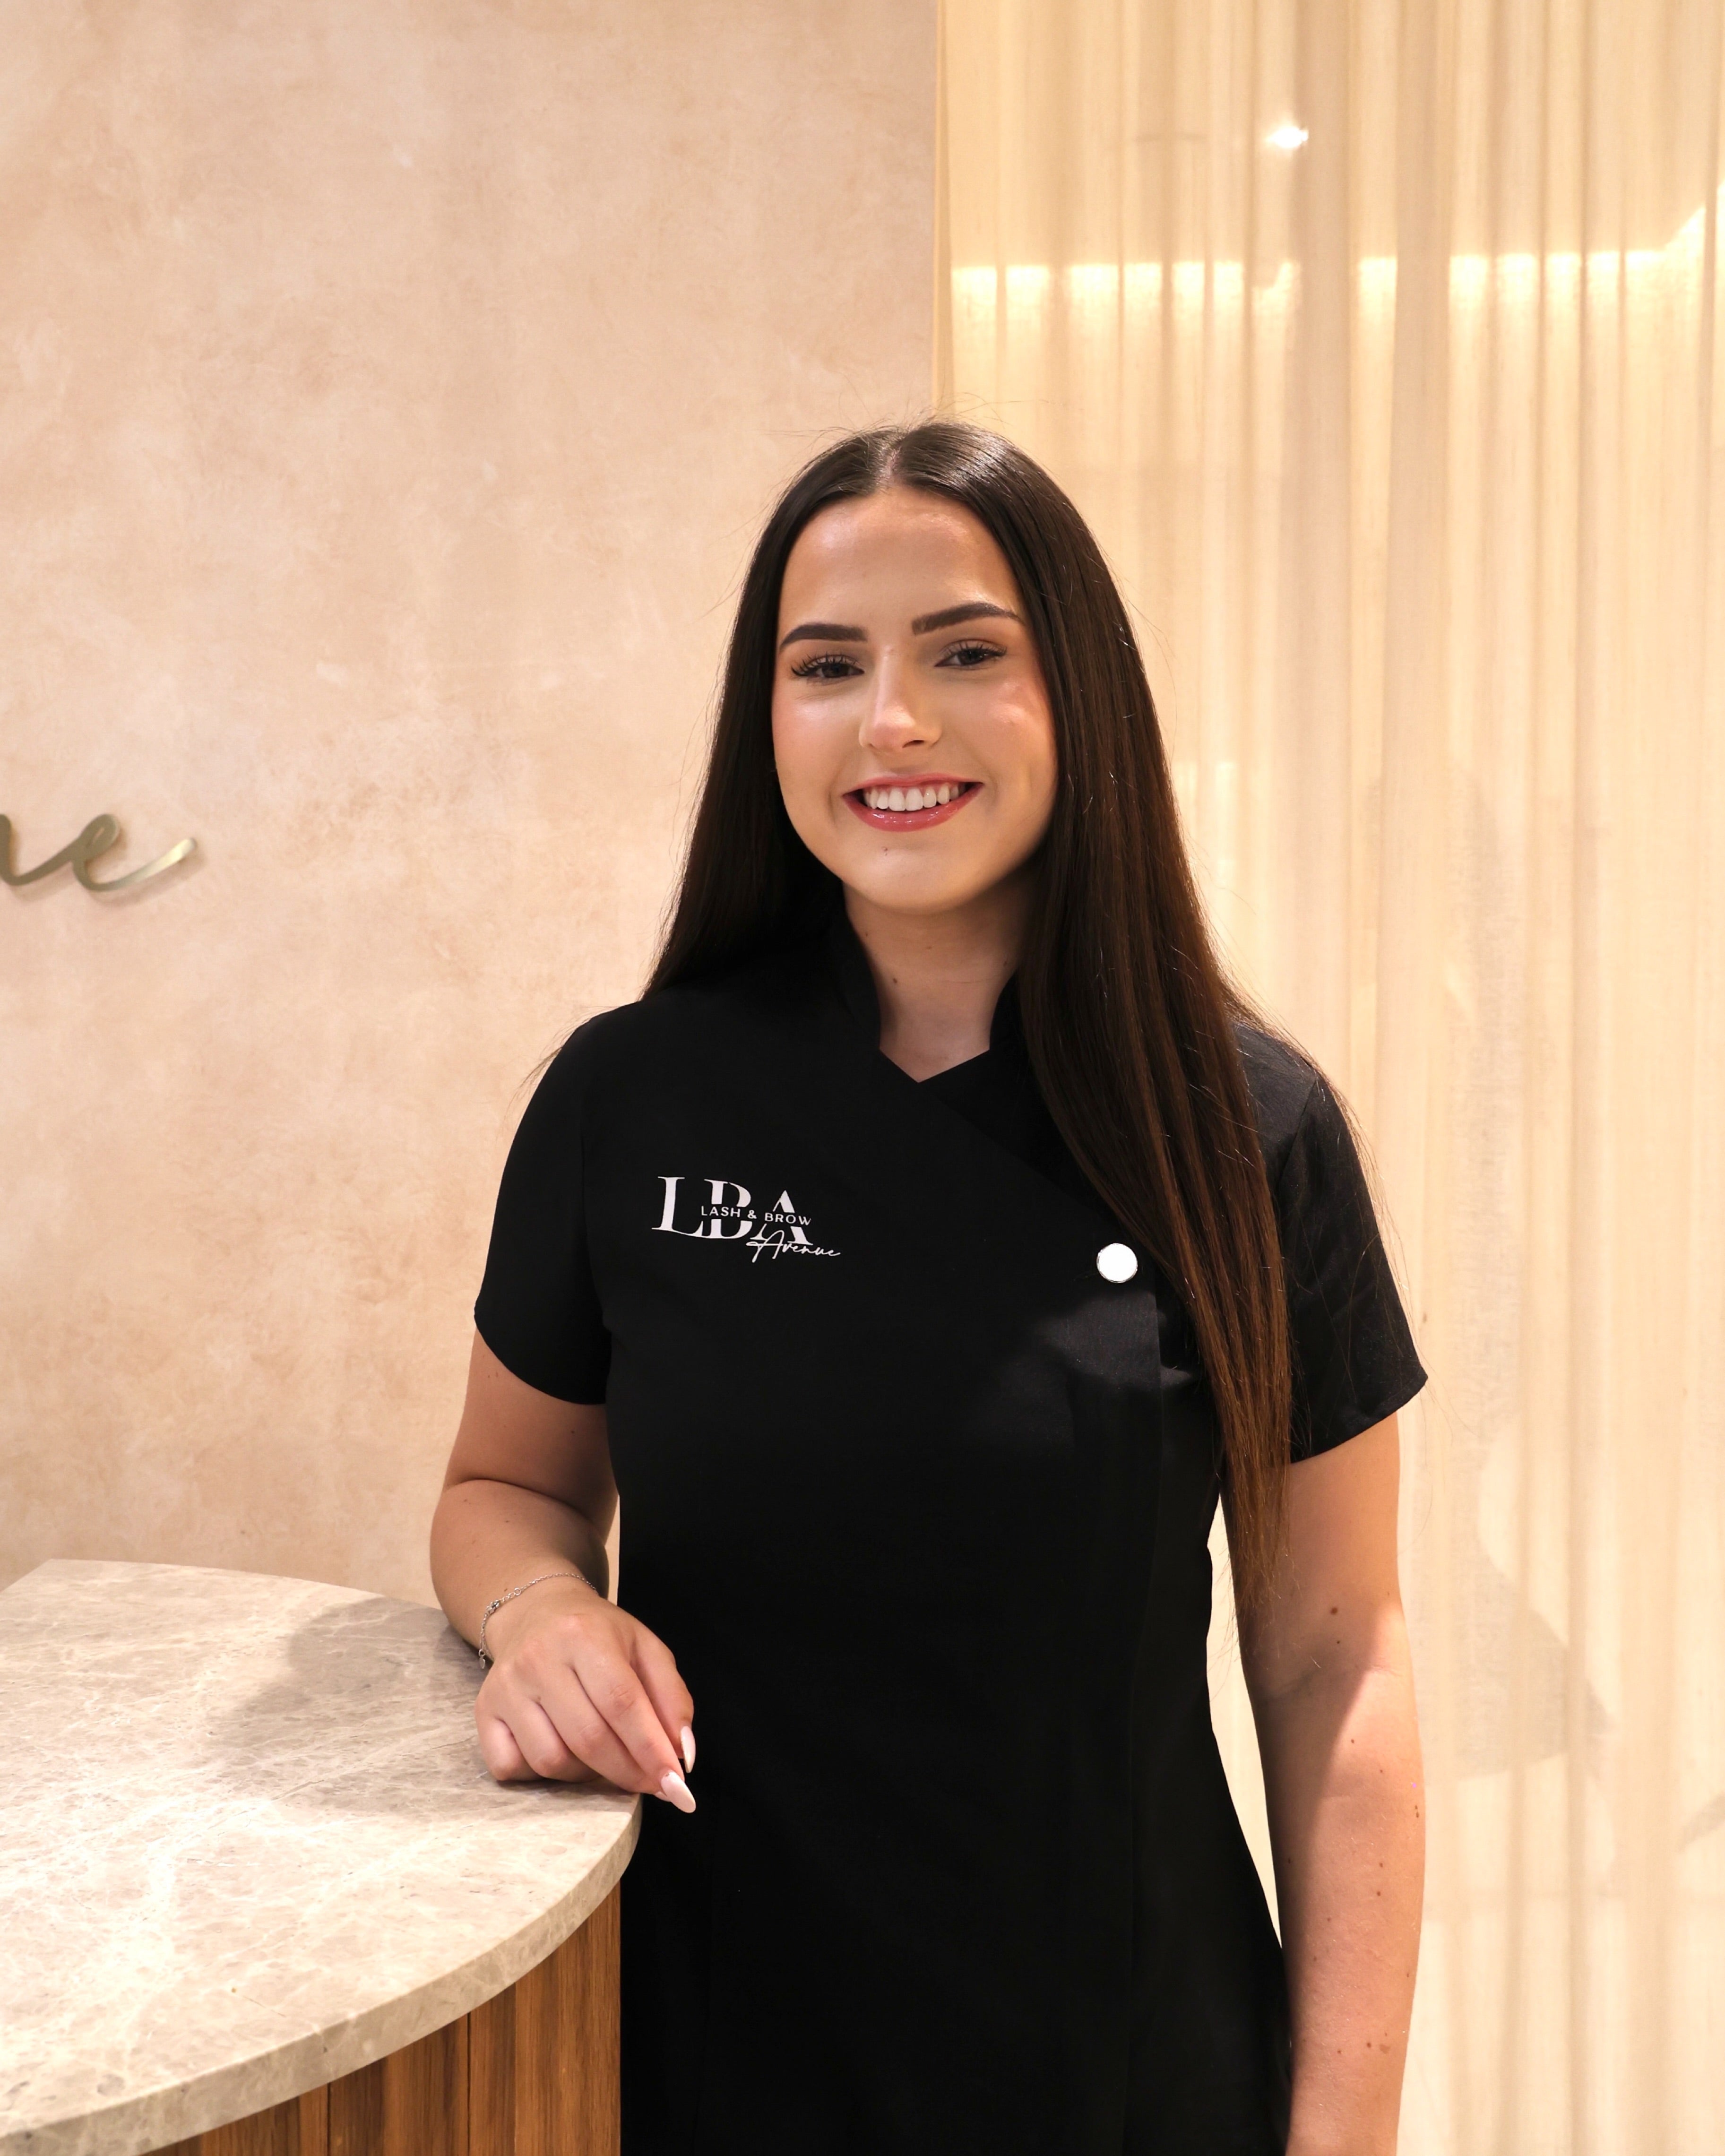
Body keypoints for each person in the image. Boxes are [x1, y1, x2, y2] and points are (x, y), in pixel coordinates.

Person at [429, 421, 1427, 2156]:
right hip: (707, 2042)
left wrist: (1342, 2133)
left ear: (1079, 696)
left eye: (964, 653)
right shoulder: (632, 1096)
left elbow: (1334, 1656)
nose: (891, 720)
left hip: (1120, 2063)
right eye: (827, 667)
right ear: (768, 722)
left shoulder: (1247, 1130)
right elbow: (501, 1487)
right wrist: (540, 1615)